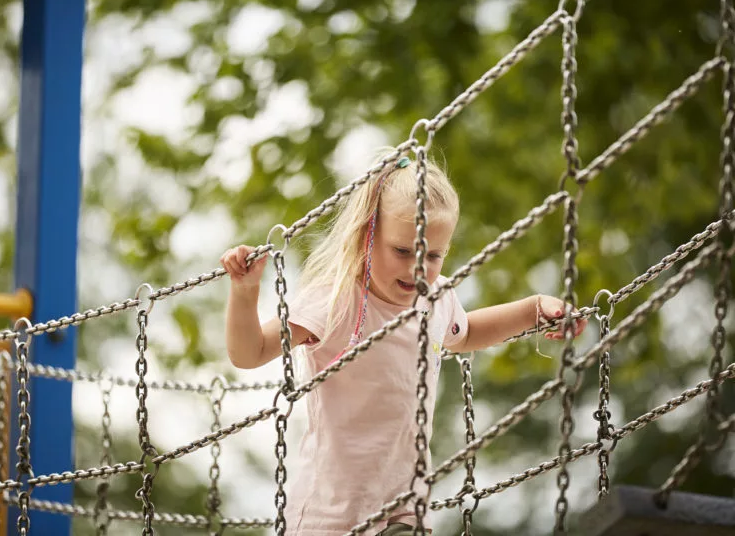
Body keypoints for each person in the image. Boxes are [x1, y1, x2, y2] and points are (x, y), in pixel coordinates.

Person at [220, 152, 587, 536]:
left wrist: (533, 310)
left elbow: (468, 334)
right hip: (332, 514)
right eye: (403, 251)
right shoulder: (336, 300)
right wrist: (245, 293)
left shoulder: (436, 299)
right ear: (368, 235)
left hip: (404, 510)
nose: (418, 267)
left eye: (433, 255)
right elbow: (251, 352)